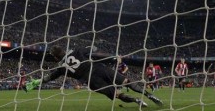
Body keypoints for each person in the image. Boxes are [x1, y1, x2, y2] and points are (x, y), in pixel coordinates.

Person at [24, 45, 163, 107]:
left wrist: (37, 82)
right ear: (64, 50)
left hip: (91, 80)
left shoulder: (61, 68)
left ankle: (137, 101)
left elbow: (49, 77)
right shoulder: (76, 51)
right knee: (126, 81)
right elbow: (93, 49)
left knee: (117, 94)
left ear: (55, 57)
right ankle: (149, 95)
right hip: (99, 69)